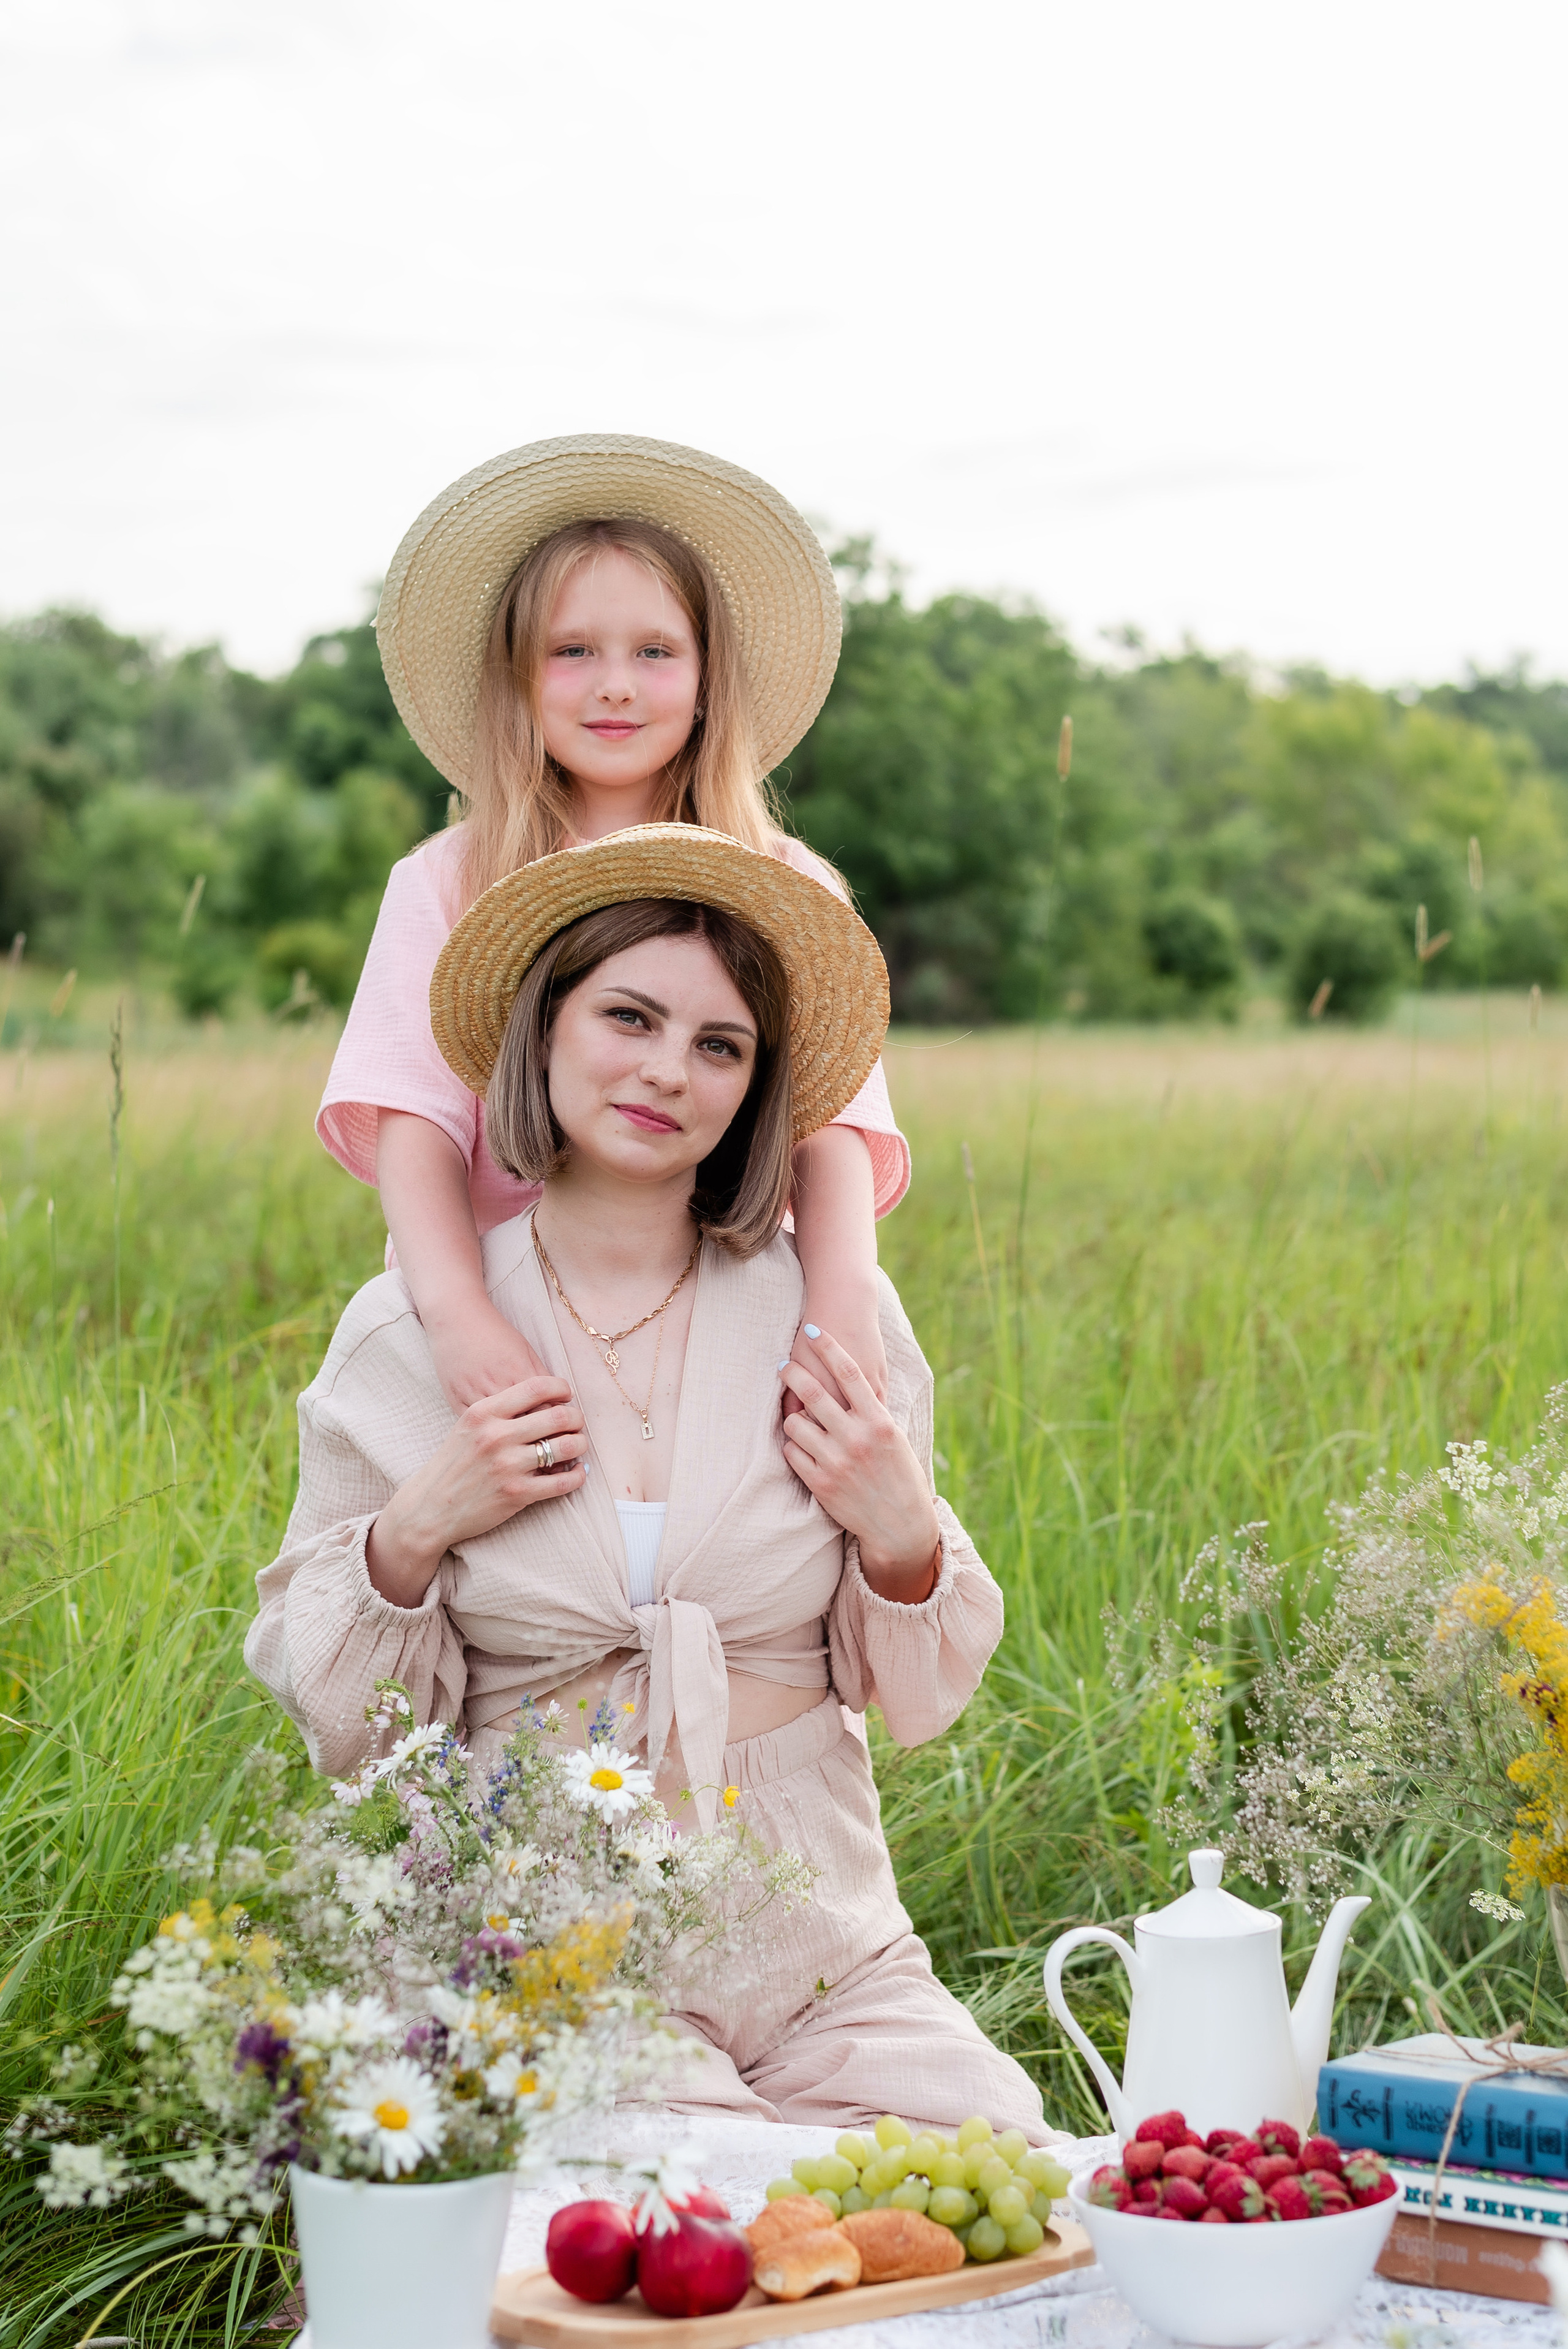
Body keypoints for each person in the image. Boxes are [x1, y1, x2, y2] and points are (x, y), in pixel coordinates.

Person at [248, 827, 1046, 2138]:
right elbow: (345, 1722)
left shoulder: (826, 1318)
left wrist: (906, 1538)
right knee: (689, 2219)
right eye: (629, 1016)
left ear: (755, 1092)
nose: (668, 1071)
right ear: (543, 1031)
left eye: (719, 1046)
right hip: (543, 1935)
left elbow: (913, 1691)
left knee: (1001, 2193)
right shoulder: (403, 1338)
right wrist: (419, 1525)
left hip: (821, 1941)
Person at [317, 434, 909, 1414]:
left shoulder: (781, 877)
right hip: (503, 1292)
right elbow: (412, 1120)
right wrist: (458, 1311)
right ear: (518, 675)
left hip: (720, 1283)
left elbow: (831, 1115)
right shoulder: (448, 878)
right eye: (573, 650)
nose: (616, 684)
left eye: (655, 651)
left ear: (709, 677)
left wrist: (840, 1301)